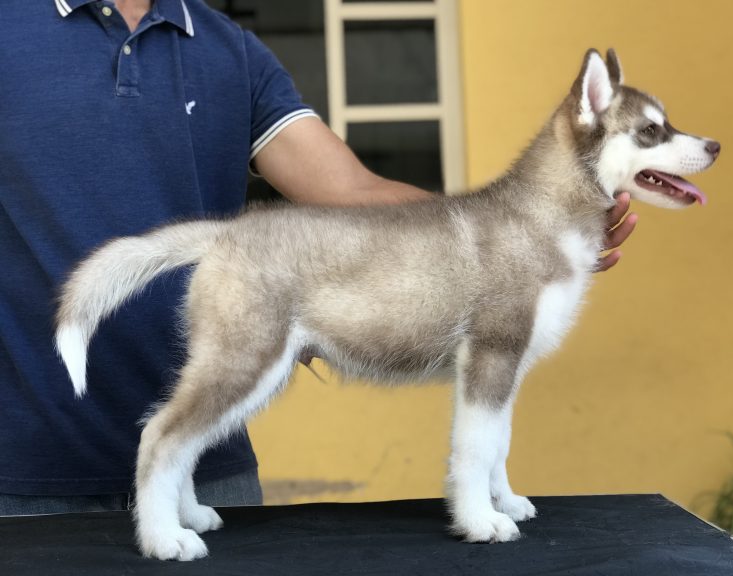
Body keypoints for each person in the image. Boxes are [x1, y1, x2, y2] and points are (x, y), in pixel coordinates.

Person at [0, 0, 637, 516]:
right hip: (23, 476)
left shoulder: (229, 48)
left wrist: (526, 245)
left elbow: (354, 193)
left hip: (210, 471)